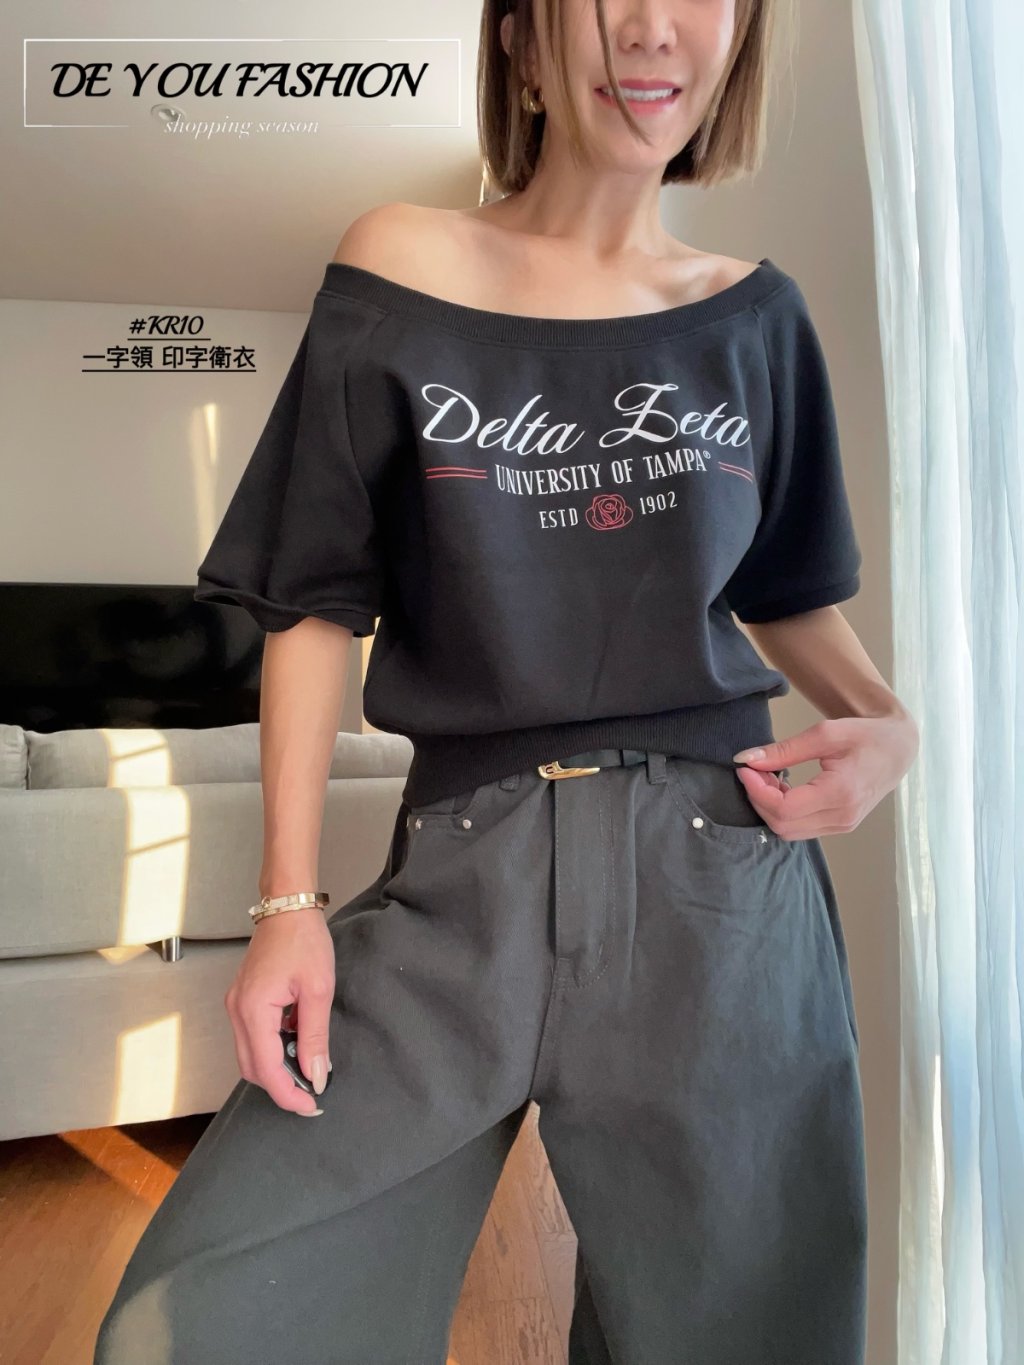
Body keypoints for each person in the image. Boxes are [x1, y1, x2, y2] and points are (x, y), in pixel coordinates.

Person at [94, 1, 918, 1362]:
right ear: (526, 39)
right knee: (202, 1321)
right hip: (463, 873)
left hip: (719, 888)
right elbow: (313, 600)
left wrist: (889, 728)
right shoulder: (400, 261)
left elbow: (784, 594)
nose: (651, 26)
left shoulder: (754, 318)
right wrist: (287, 903)